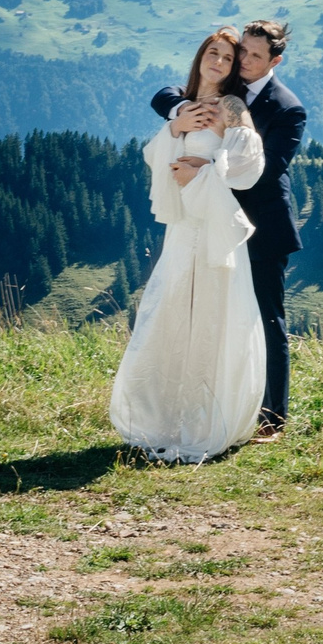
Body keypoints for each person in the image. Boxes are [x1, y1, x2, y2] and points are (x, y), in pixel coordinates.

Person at [111, 28, 267, 462]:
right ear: (201, 56)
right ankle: (162, 418)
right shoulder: (182, 101)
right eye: (212, 53)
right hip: (182, 229)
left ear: (235, 68)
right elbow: (153, 156)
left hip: (213, 226)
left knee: (215, 318)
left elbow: (249, 167)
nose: (218, 62)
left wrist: (206, 166)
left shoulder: (233, 106)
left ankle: (205, 420)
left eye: (228, 58)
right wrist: (175, 126)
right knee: (171, 312)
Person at [151, 18, 303, 439]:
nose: (246, 62)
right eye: (244, 53)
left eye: (256, 56)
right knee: (209, 314)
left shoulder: (287, 107)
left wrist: (203, 169)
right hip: (202, 222)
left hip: (260, 227)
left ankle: (272, 415)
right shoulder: (223, 92)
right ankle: (208, 401)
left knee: (264, 319)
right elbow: (165, 93)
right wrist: (178, 112)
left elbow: (267, 170)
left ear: (275, 59)